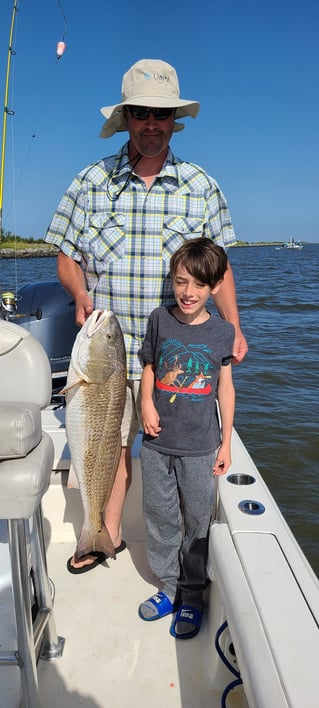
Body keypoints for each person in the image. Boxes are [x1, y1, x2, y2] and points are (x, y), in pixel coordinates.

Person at [45, 59, 247, 572]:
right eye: (141, 113)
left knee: (177, 457)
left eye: (161, 113)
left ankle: (184, 555)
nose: (151, 123)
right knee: (107, 448)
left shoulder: (201, 186)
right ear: (127, 118)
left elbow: (218, 271)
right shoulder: (91, 181)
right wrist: (77, 292)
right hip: (108, 350)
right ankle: (105, 533)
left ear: (174, 119)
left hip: (174, 352)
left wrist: (235, 328)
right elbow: (66, 257)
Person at [137, 237, 235, 639]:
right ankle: (169, 586)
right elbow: (148, 364)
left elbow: (225, 388)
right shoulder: (159, 318)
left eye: (197, 284)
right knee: (160, 518)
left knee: (197, 522)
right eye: (180, 282)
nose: (188, 292)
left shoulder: (222, 332)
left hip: (200, 447)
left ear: (213, 287)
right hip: (157, 444)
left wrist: (225, 441)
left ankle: (192, 593)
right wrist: (146, 402)